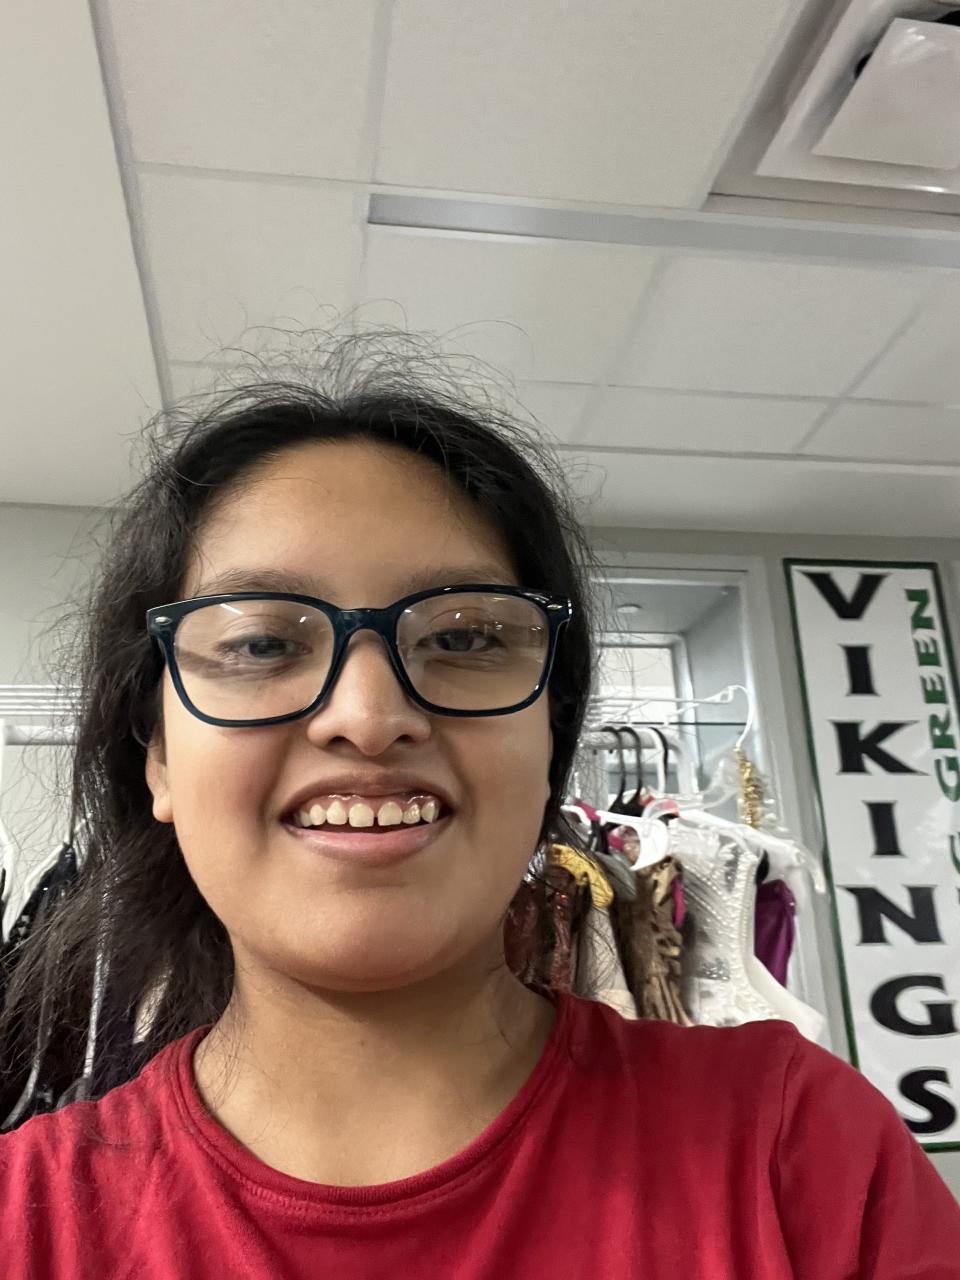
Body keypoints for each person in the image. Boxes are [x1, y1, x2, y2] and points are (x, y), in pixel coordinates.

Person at [1, 335, 958, 1278]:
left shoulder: (799, 1152)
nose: (369, 716)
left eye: (462, 638)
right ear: (158, 757)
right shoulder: (25, 1223)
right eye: (261, 645)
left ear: (551, 742)